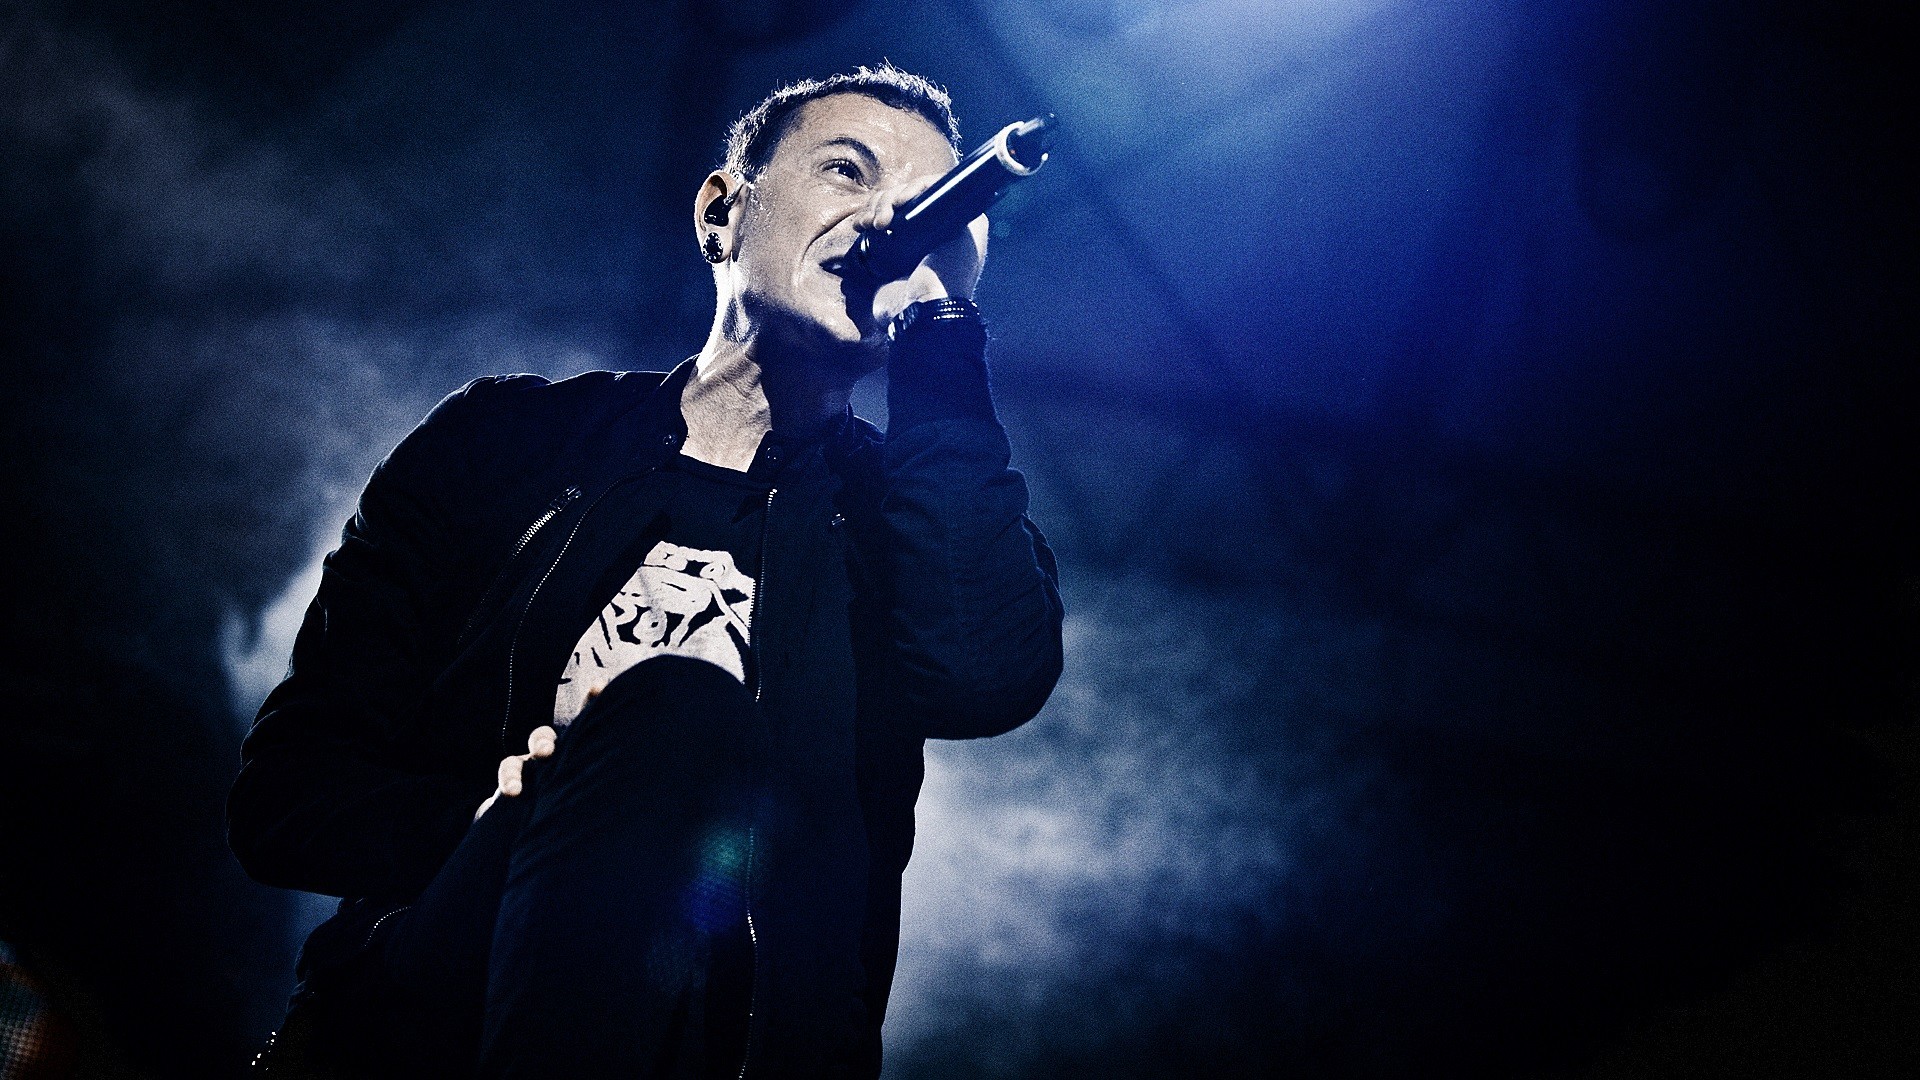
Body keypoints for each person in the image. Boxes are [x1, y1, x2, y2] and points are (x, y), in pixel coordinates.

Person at [227, 65, 1063, 1078]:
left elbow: (983, 679)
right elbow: (288, 796)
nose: (894, 218)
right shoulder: (507, 443)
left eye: (932, 203)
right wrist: (504, 823)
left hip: (728, 1052)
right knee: (675, 708)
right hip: (432, 1013)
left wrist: (942, 335)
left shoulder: (917, 514)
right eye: (849, 171)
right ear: (723, 211)